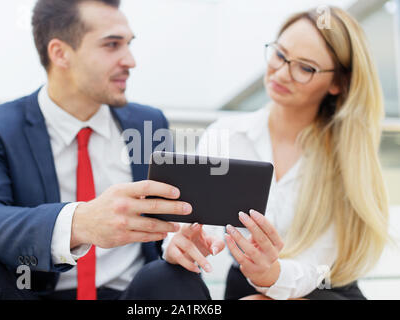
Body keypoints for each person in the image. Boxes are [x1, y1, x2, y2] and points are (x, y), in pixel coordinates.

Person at [126, 6, 390, 300]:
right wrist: (179, 245)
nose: (282, 72)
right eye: (279, 54)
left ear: (338, 83)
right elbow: (190, 225)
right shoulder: (226, 135)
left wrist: (272, 275)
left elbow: (319, 269)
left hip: (323, 291)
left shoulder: (346, 158)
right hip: (249, 285)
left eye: (305, 68)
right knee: (162, 278)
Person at [0, 0, 194, 300]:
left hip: (131, 297)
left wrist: (177, 240)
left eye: (128, 44)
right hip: (34, 292)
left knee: (175, 278)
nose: (130, 61)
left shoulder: (149, 123)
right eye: (112, 45)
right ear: (60, 53)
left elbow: (168, 219)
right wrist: (80, 223)